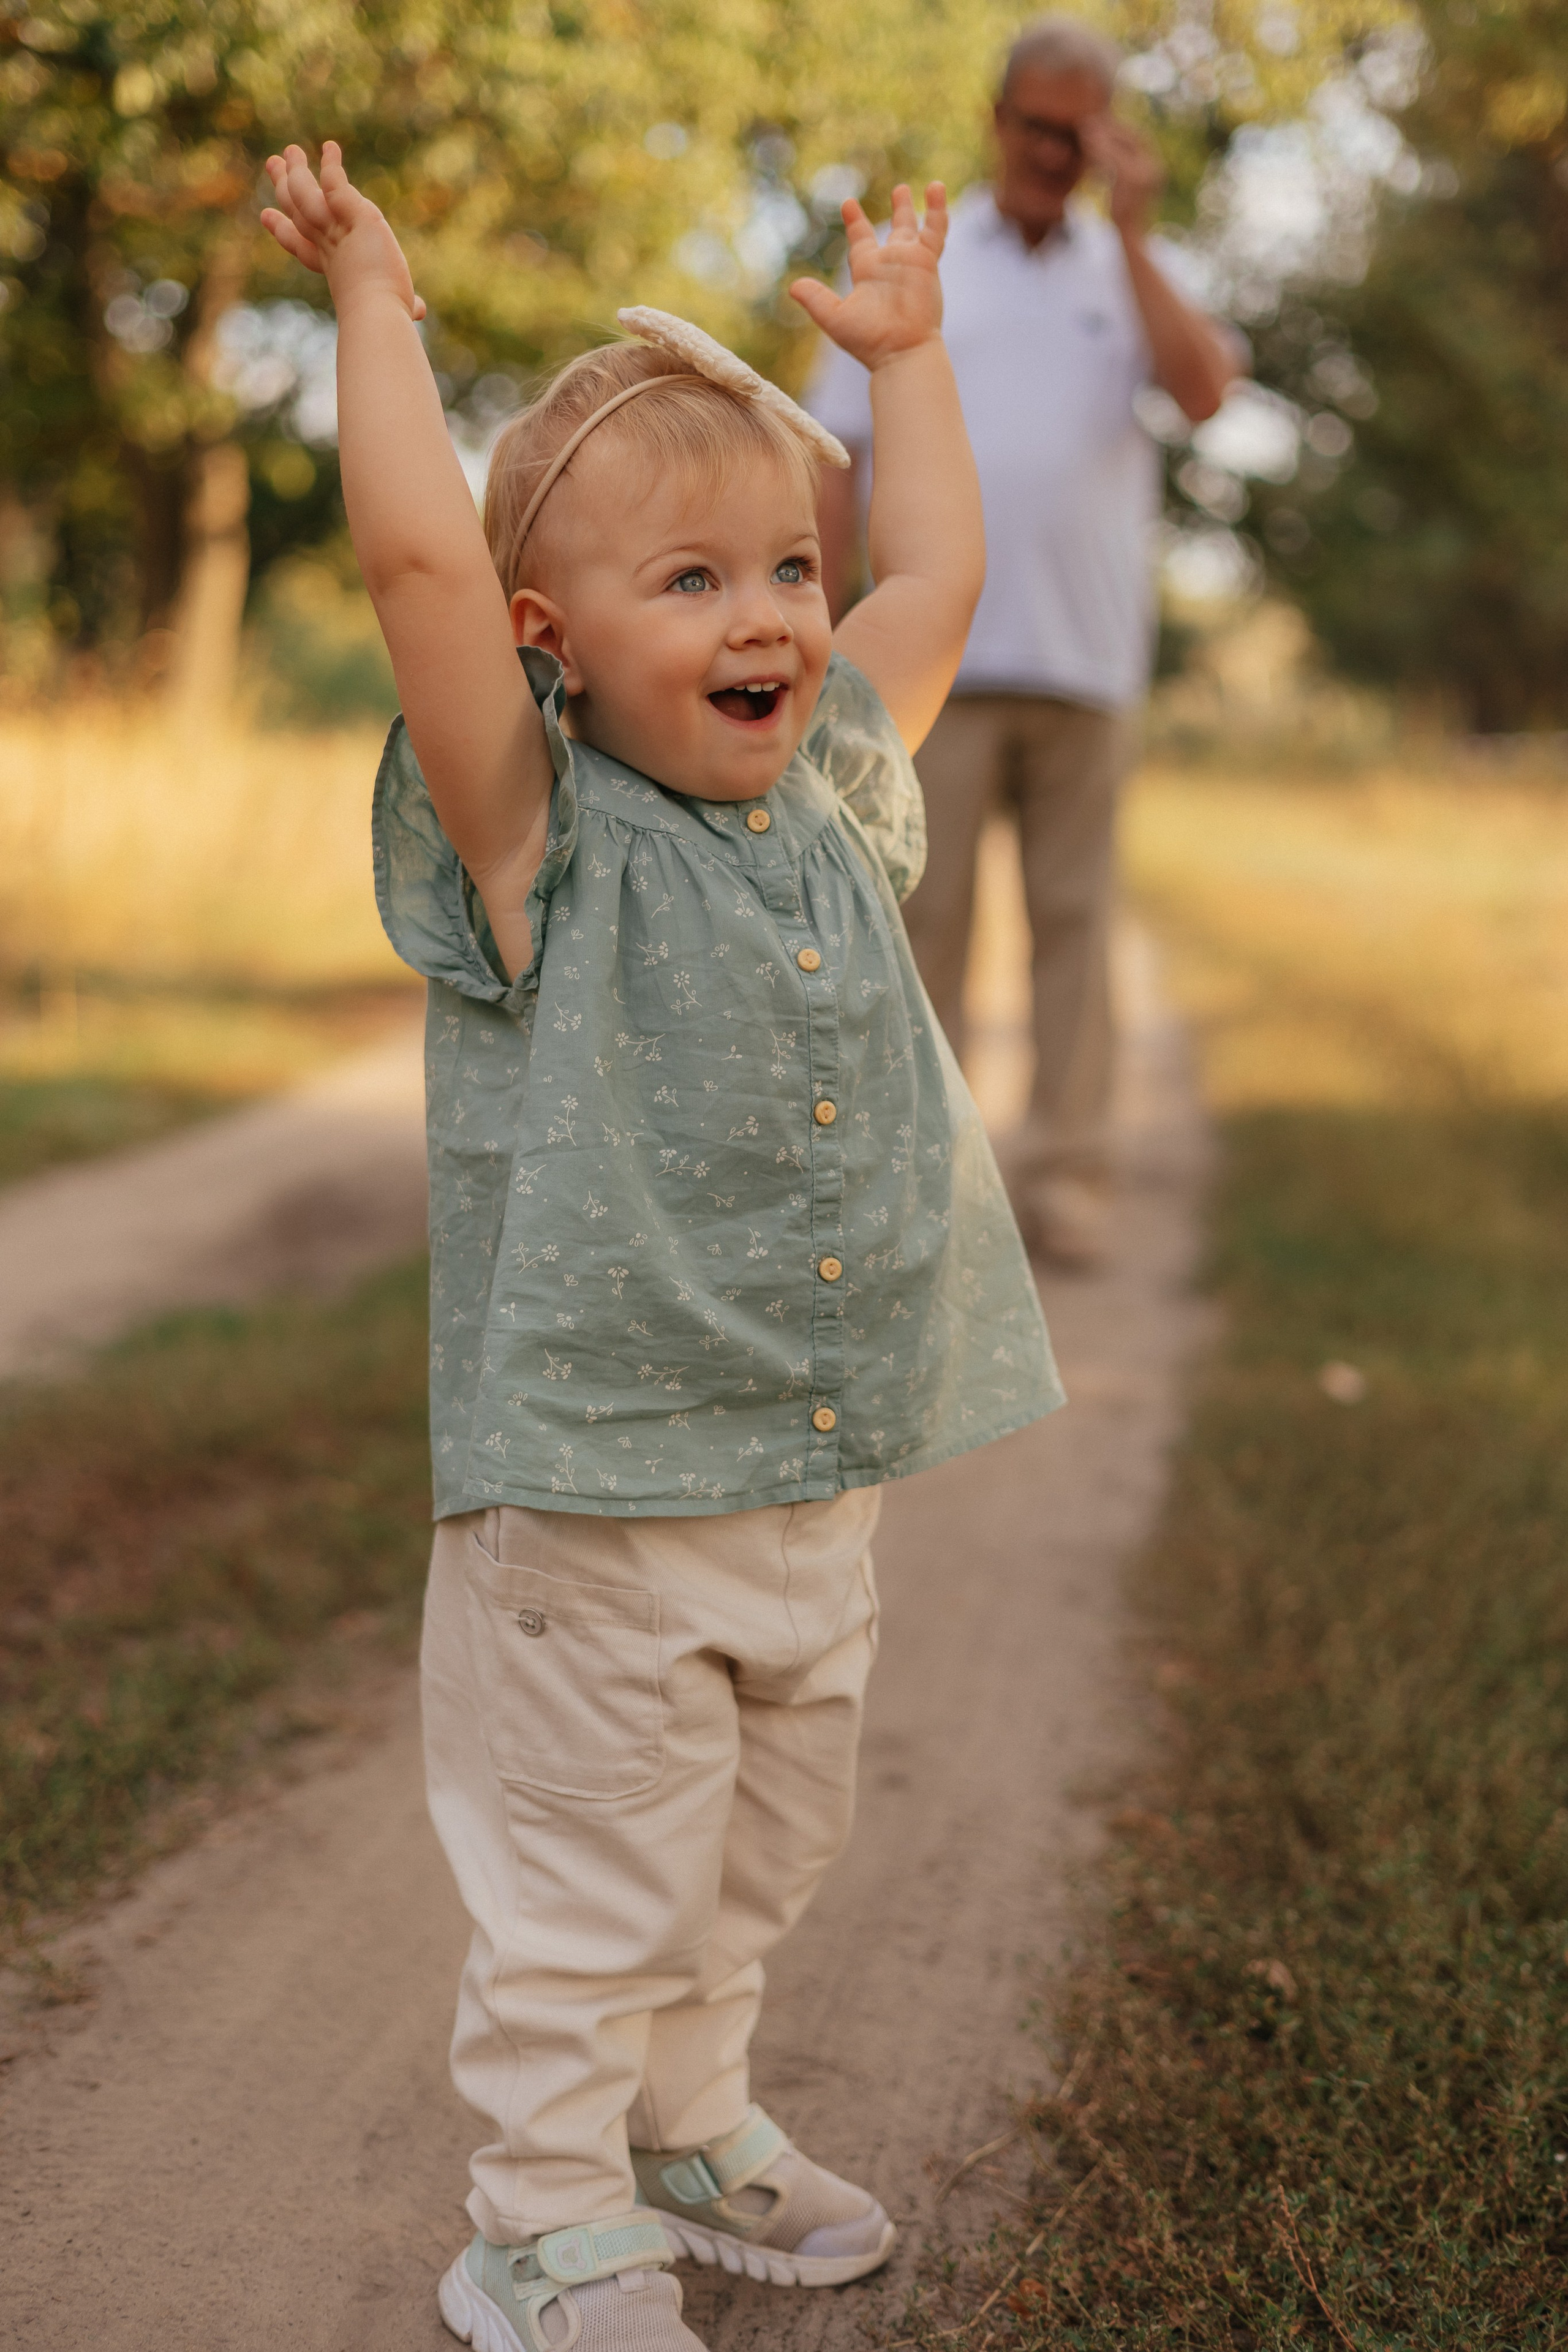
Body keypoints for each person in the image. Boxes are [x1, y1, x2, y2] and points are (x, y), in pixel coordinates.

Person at [260, 141, 1063, 2352]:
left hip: (808, 1468)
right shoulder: (536, 844)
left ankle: (687, 2121)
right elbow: (420, 556)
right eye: (692, 580)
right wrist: (377, 309)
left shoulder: (835, 795)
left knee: (757, 1853)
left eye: (786, 569)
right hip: (597, 1497)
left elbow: (950, 574)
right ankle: (538, 2208)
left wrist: (907, 365)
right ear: (554, 648)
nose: (773, 617)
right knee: (589, 1878)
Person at [809, 15, 1242, 1268]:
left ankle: (1067, 1182)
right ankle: (929, 1185)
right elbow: (839, 455)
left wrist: (1135, 231)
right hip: (925, 664)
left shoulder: (1128, 268)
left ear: (1105, 138)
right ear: (999, 121)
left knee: (1073, 928)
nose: (1054, 152)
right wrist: (827, 626)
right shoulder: (924, 258)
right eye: (1037, 128)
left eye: (1079, 133)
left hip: (1085, 661)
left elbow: (1204, 389)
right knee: (921, 924)